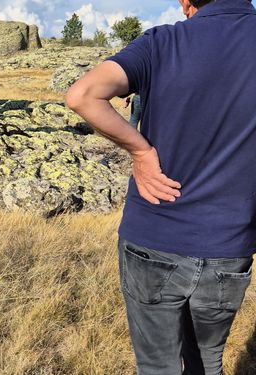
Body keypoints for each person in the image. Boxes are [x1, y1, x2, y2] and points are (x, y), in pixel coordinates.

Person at [66, 0, 256, 373]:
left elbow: (82, 95)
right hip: (229, 244)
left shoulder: (162, 42)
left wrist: (140, 150)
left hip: (154, 235)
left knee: (157, 366)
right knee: (208, 362)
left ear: (188, 1)